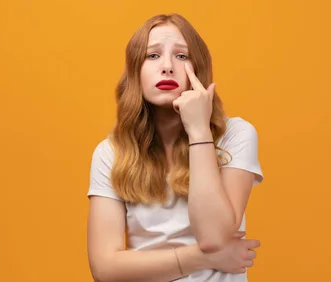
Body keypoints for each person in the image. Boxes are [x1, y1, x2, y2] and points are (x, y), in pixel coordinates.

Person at [86, 13, 264, 282]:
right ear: (135, 71)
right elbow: (105, 269)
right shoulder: (110, 153)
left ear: (199, 69)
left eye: (182, 56)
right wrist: (203, 258)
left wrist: (199, 130)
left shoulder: (236, 135)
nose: (167, 66)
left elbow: (214, 236)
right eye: (152, 56)